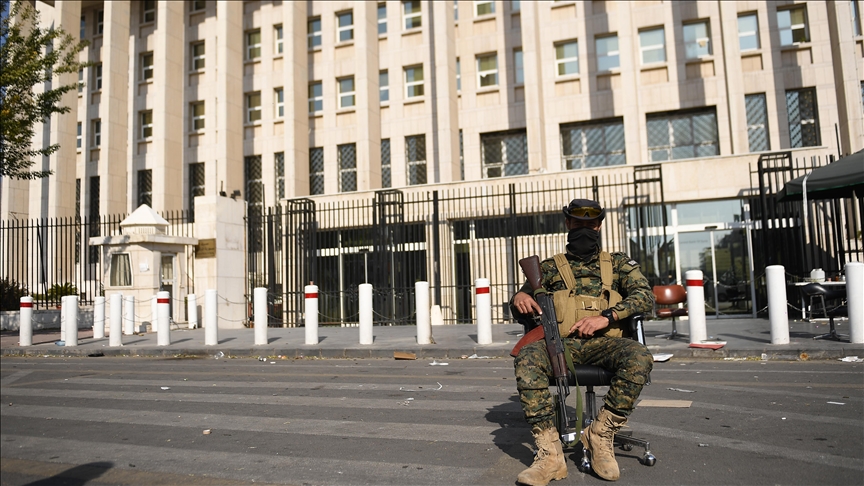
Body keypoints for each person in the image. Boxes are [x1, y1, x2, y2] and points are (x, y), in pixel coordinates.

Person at [511, 198, 654, 485]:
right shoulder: (550, 268)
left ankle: (600, 434)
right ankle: (550, 455)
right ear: (568, 224)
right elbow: (523, 298)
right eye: (578, 224)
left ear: (599, 225)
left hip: (606, 344)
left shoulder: (618, 264)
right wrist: (520, 297)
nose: (584, 229)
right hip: (563, 345)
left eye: (591, 224)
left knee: (639, 357)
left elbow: (645, 297)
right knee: (527, 358)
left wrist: (608, 316)